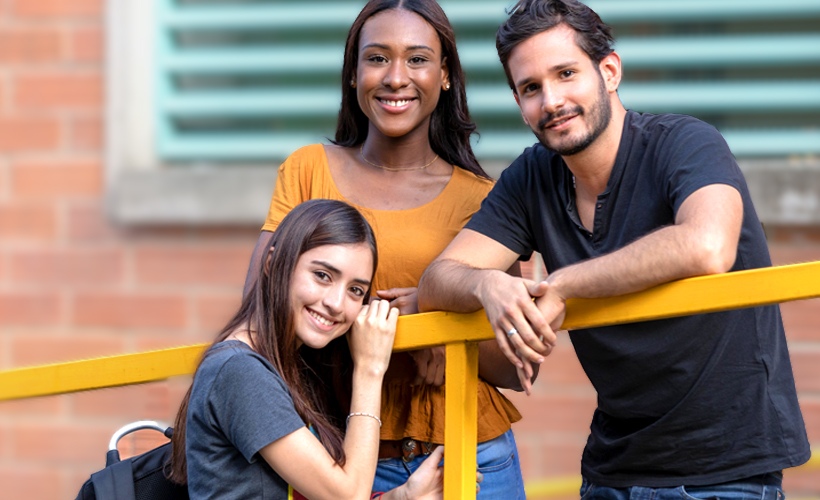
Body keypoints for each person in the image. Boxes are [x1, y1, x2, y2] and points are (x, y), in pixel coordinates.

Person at [417, 0, 810, 498]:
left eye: (566, 74)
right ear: (518, 103)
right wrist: (489, 283)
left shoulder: (686, 143)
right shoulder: (532, 177)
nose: (552, 101)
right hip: (612, 474)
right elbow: (438, 279)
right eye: (531, 88)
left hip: (723, 472)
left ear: (609, 70)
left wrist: (563, 283)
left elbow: (708, 246)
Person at [243, 1, 527, 497]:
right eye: (377, 58)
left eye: (417, 59)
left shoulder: (482, 198)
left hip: (464, 458)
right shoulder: (308, 169)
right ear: (353, 76)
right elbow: (261, 319)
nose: (396, 77)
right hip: (337, 456)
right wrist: (401, 334)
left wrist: (444, 325)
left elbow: (517, 366)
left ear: (444, 77)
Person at [168, 199, 453, 500]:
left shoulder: (293, 368)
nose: (336, 303)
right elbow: (347, 496)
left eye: (355, 290)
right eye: (322, 275)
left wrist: (401, 497)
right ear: (272, 264)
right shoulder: (240, 371)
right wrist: (370, 368)